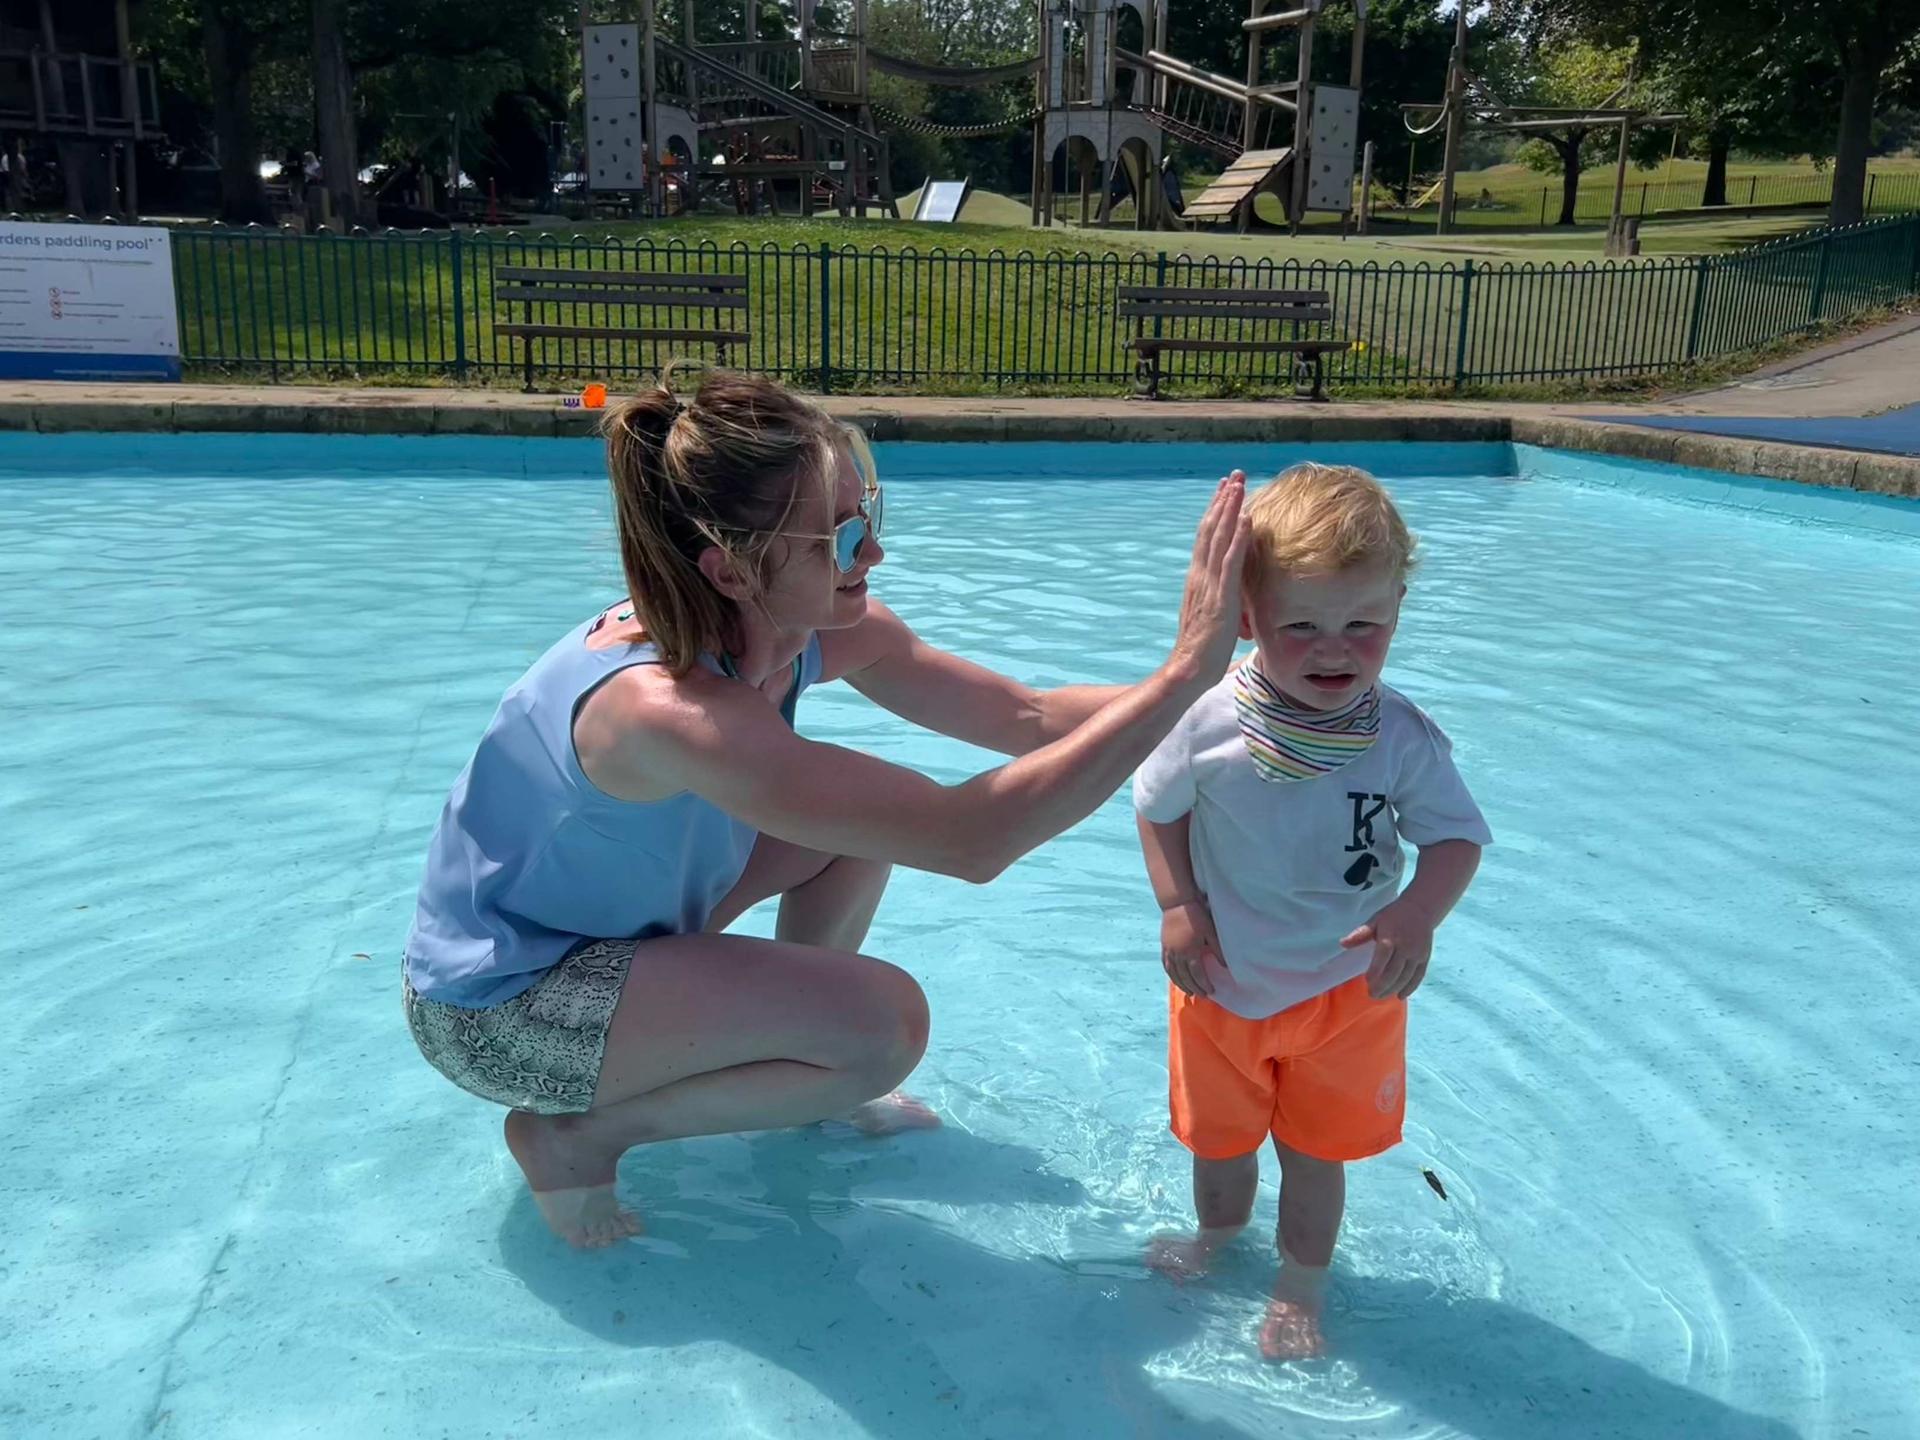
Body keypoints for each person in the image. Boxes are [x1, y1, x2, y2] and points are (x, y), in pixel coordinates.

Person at [403, 370, 1250, 1248]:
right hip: (499, 1009)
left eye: (870, 516)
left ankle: (797, 1069)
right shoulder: (667, 710)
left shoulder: (797, 628)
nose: (872, 555)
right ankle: (578, 1133)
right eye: (841, 539)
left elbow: (1023, 716)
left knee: (851, 838)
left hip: (615, 933)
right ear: (730, 570)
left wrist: (1244, 696)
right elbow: (972, 840)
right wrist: (1186, 669)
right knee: (885, 1027)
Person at [1133, 463, 1489, 1359]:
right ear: (1248, 620)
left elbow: (1455, 841)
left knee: (1313, 1153)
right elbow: (1155, 806)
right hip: (1220, 983)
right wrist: (1178, 904)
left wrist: (1417, 914)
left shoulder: (1399, 737)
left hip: (1347, 993)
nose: (1335, 649)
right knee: (1219, 1147)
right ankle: (1218, 1239)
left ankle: (1301, 1283)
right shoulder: (1206, 722)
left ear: (1397, 611)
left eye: (1364, 625)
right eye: (1303, 626)